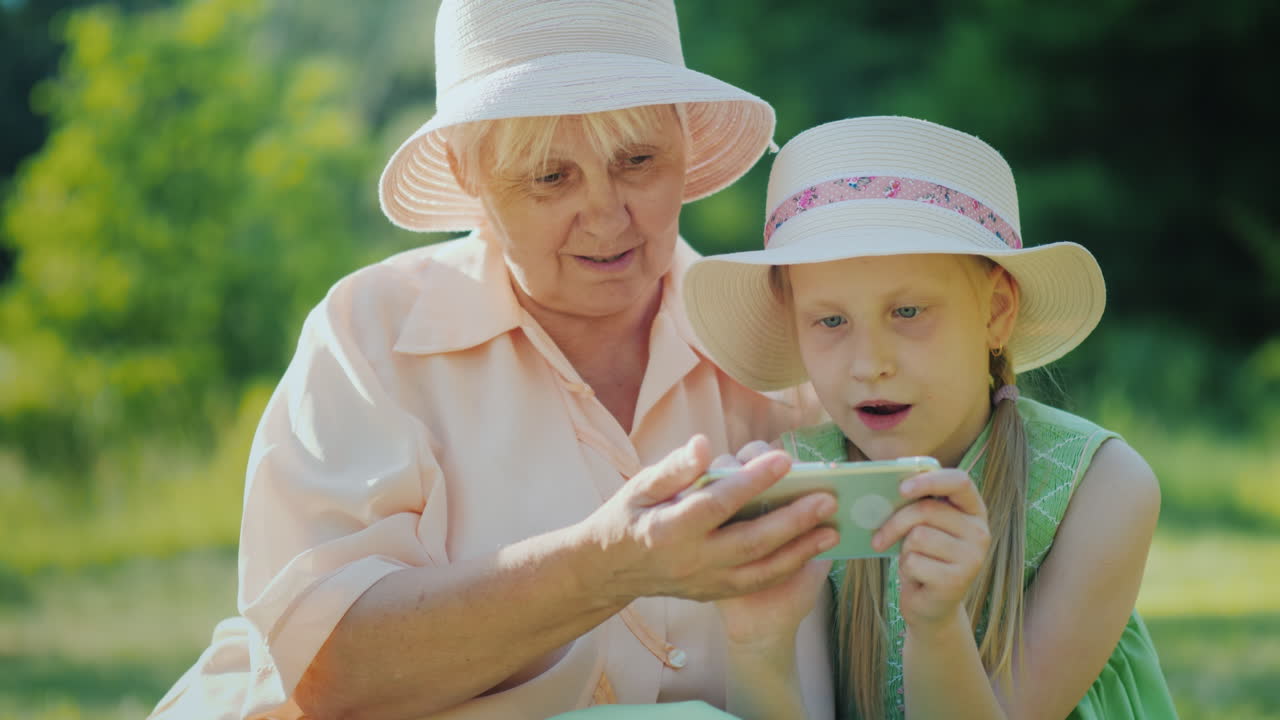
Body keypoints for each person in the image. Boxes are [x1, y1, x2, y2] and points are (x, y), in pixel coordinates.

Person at [147, 2, 839, 719]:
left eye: (638, 161)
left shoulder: (797, 350)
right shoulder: (373, 334)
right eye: (549, 177)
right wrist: (607, 566)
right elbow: (323, 672)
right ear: (465, 169)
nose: (606, 216)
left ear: (685, 146)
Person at [681, 116, 1179, 719]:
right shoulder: (803, 479)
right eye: (830, 321)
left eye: (909, 311)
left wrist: (938, 627)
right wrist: (758, 642)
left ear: (995, 311)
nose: (870, 364)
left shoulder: (1101, 487)